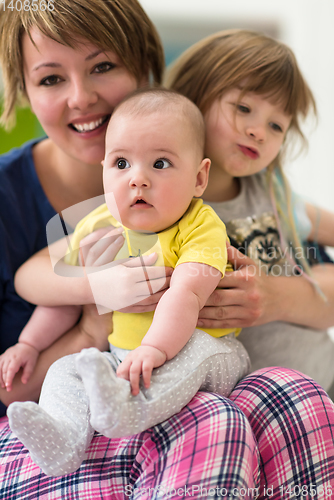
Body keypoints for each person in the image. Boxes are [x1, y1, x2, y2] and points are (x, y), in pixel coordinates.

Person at [0, 2, 332, 496]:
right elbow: (44, 275)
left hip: (197, 385)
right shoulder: (92, 214)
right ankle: (74, 429)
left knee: (286, 398)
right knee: (214, 417)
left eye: (102, 66)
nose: (81, 96)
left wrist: (275, 295)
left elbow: (308, 272)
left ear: (146, 68)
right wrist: (91, 316)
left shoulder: (219, 205)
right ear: (22, 88)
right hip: (92, 412)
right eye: (50, 78)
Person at [5, 88, 250, 476]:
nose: (138, 179)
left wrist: (154, 349)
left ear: (199, 177)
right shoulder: (98, 224)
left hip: (204, 352)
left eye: (161, 164)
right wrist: (29, 344)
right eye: (121, 163)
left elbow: (186, 292)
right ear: (103, 170)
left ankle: (126, 411)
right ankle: (64, 440)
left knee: (199, 350)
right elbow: (64, 298)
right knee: (66, 370)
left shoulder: (200, 226)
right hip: (123, 359)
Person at [166, 28, 334, 392]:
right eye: (244, 108)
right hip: (243, 406)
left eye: (277, 126)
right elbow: (61, 254)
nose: (260, 132)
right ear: (192, 97)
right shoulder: (163, 199)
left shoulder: (271, 194)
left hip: (323, 381)